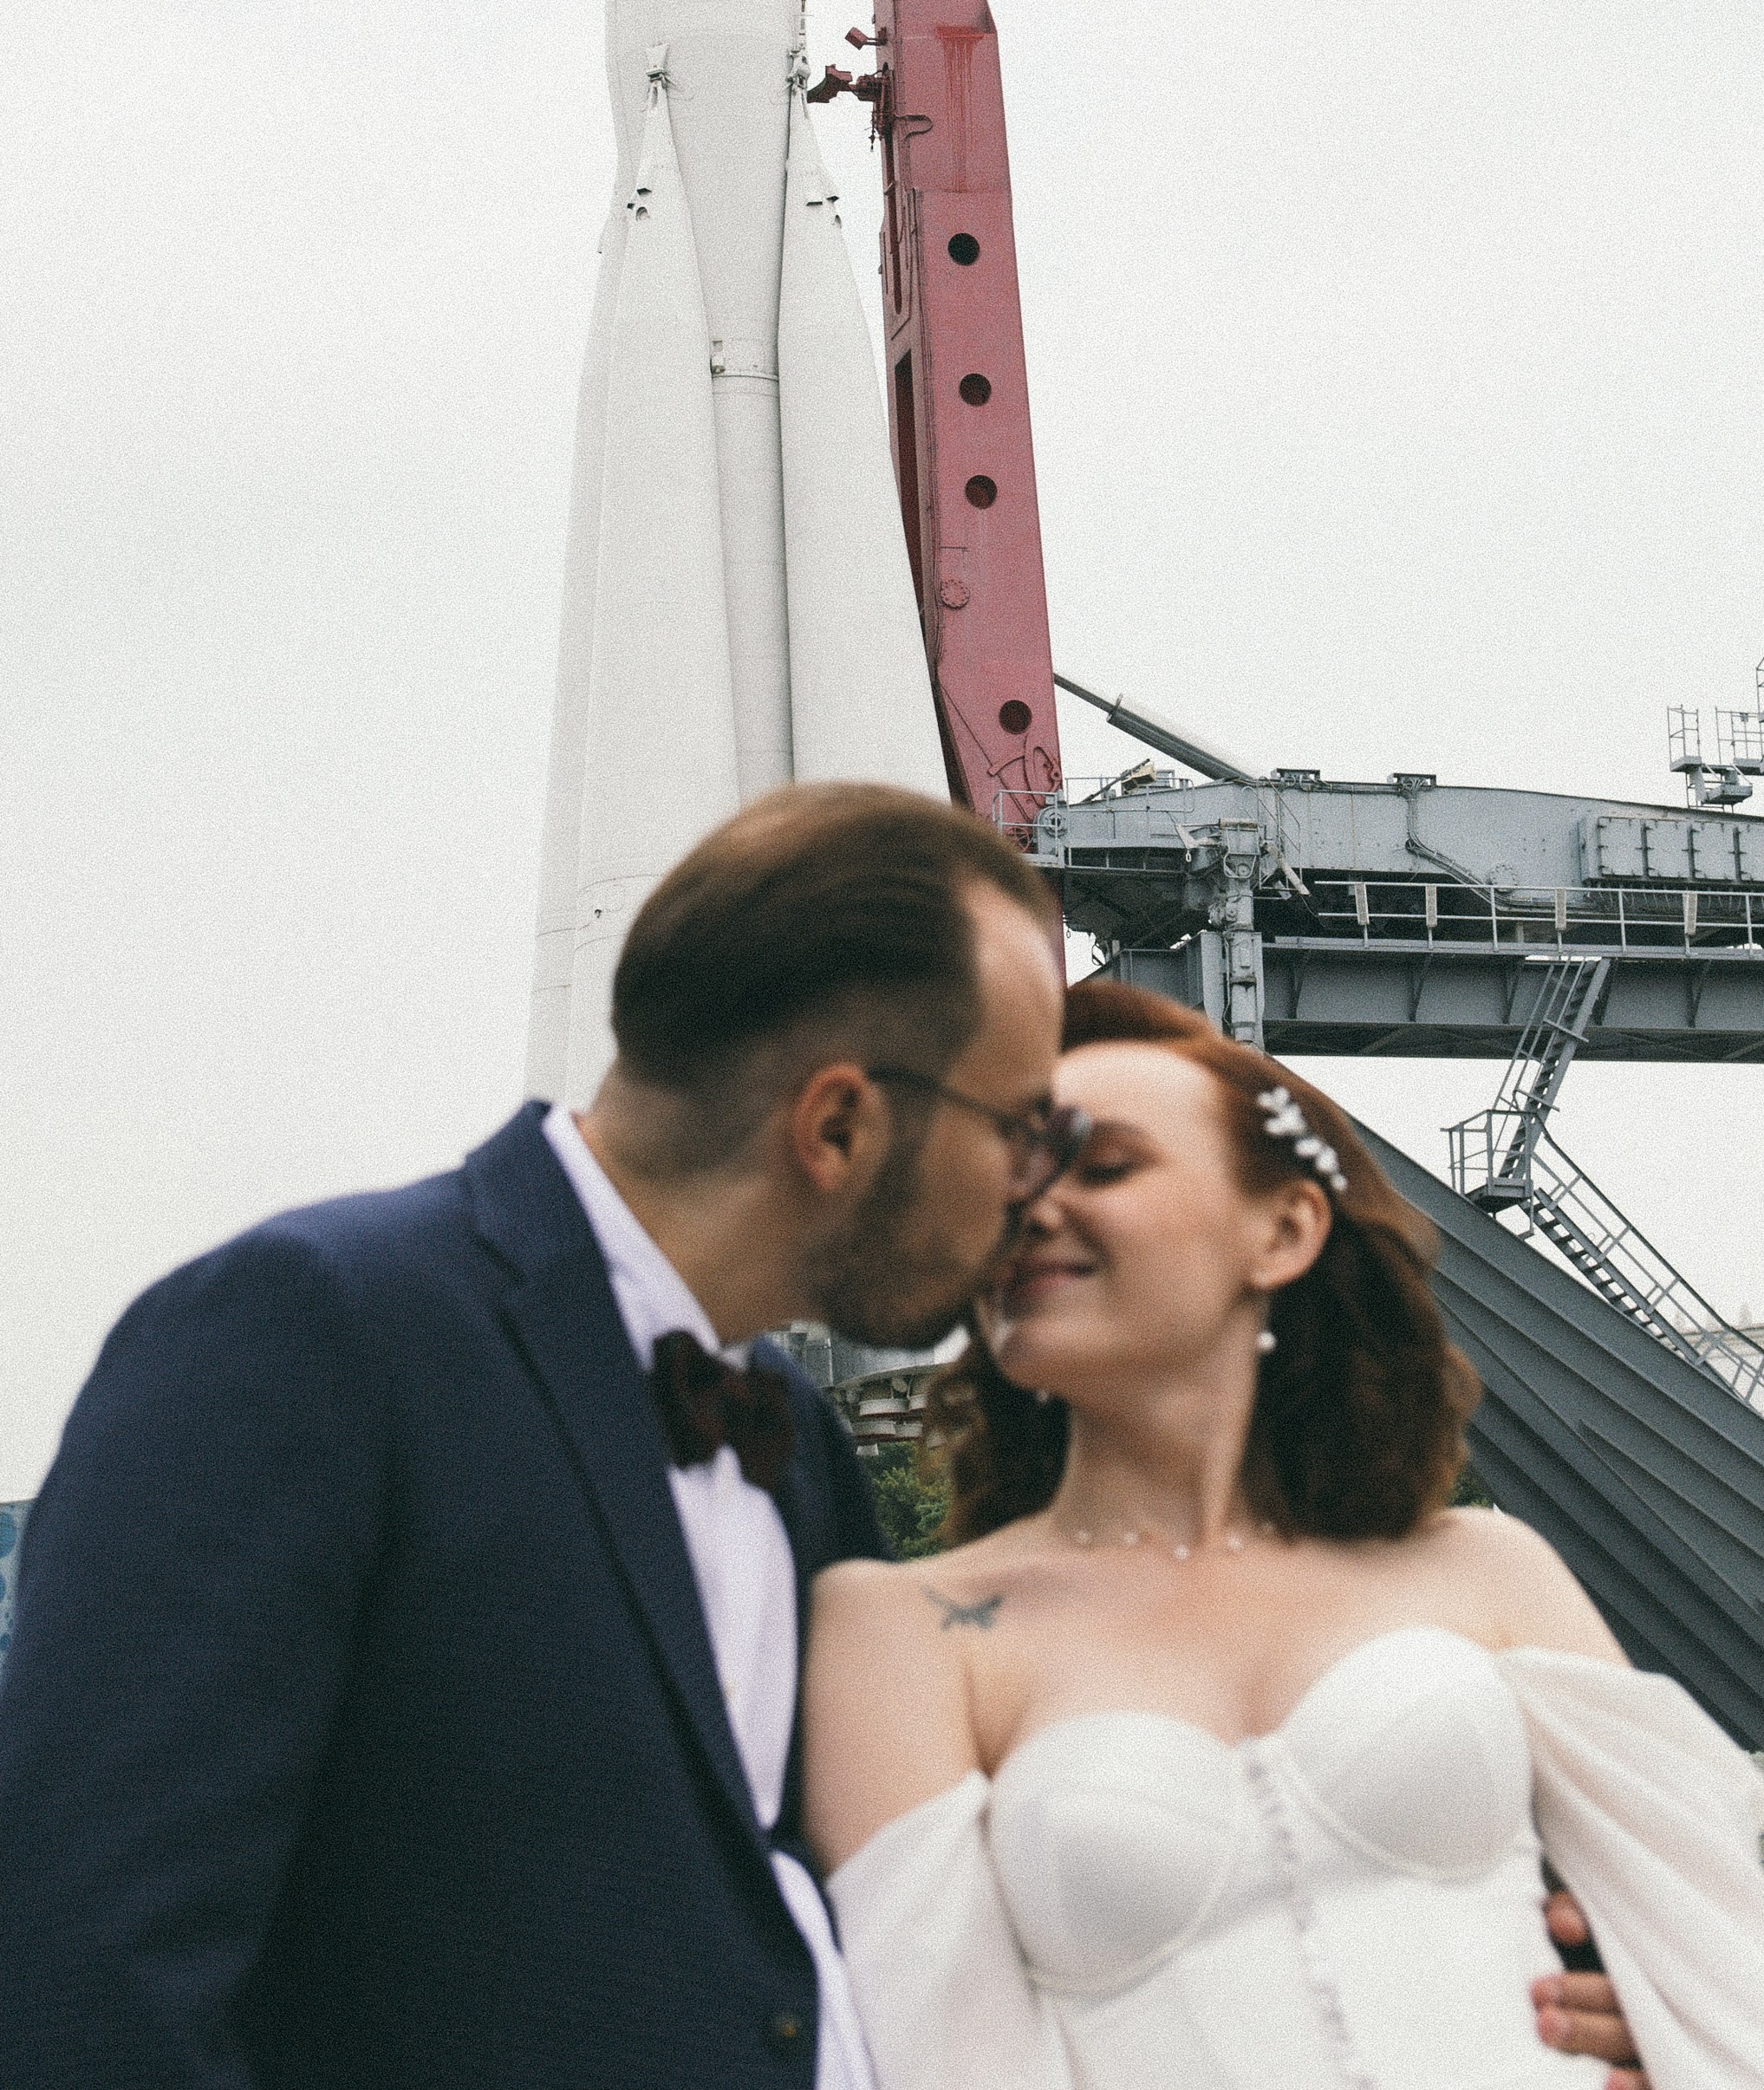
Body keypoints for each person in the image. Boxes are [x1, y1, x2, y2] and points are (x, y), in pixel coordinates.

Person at [0, 786, 1643, 2090]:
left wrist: (1508, 1977)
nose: (1031, 1194)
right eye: (1016, 1128)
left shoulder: (785, 1435)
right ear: (841, 1123)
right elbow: (85, 1986)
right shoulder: (308, 1336)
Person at [804, 980, 1764, 2090]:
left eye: (1104, 1165)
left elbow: (1733, 1986)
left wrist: (1668, 2035)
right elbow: (941, 2058)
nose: (1031, 1207)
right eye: (1008, 1179)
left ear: (1282, 1229)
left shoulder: (1485, 1567)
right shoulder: (903, 1632)